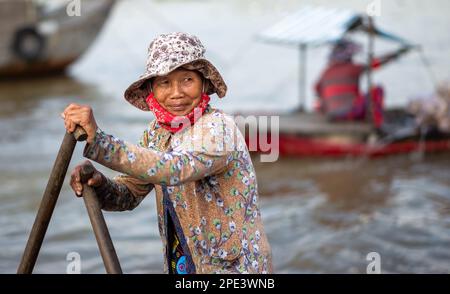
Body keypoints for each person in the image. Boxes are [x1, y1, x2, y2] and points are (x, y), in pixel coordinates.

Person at [61, 32, 273, 274]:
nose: (176, 93)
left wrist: (101, 141)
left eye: (187, 80)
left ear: (203, 83)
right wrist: (99, 185)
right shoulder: (157, 133)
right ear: (151, 89)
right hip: (183, 264)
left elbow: (174, 168)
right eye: (164, 82)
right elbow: (130, 192)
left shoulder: (218, 127)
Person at [314, 38, 411, 128]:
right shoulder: (352, 68)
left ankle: (374, 119)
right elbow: (375, 64)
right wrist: (395, 55)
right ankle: (378, 124)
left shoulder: (325, 72)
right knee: (377, 90)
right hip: (349, 112)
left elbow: (317, 90)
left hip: (333, 115)